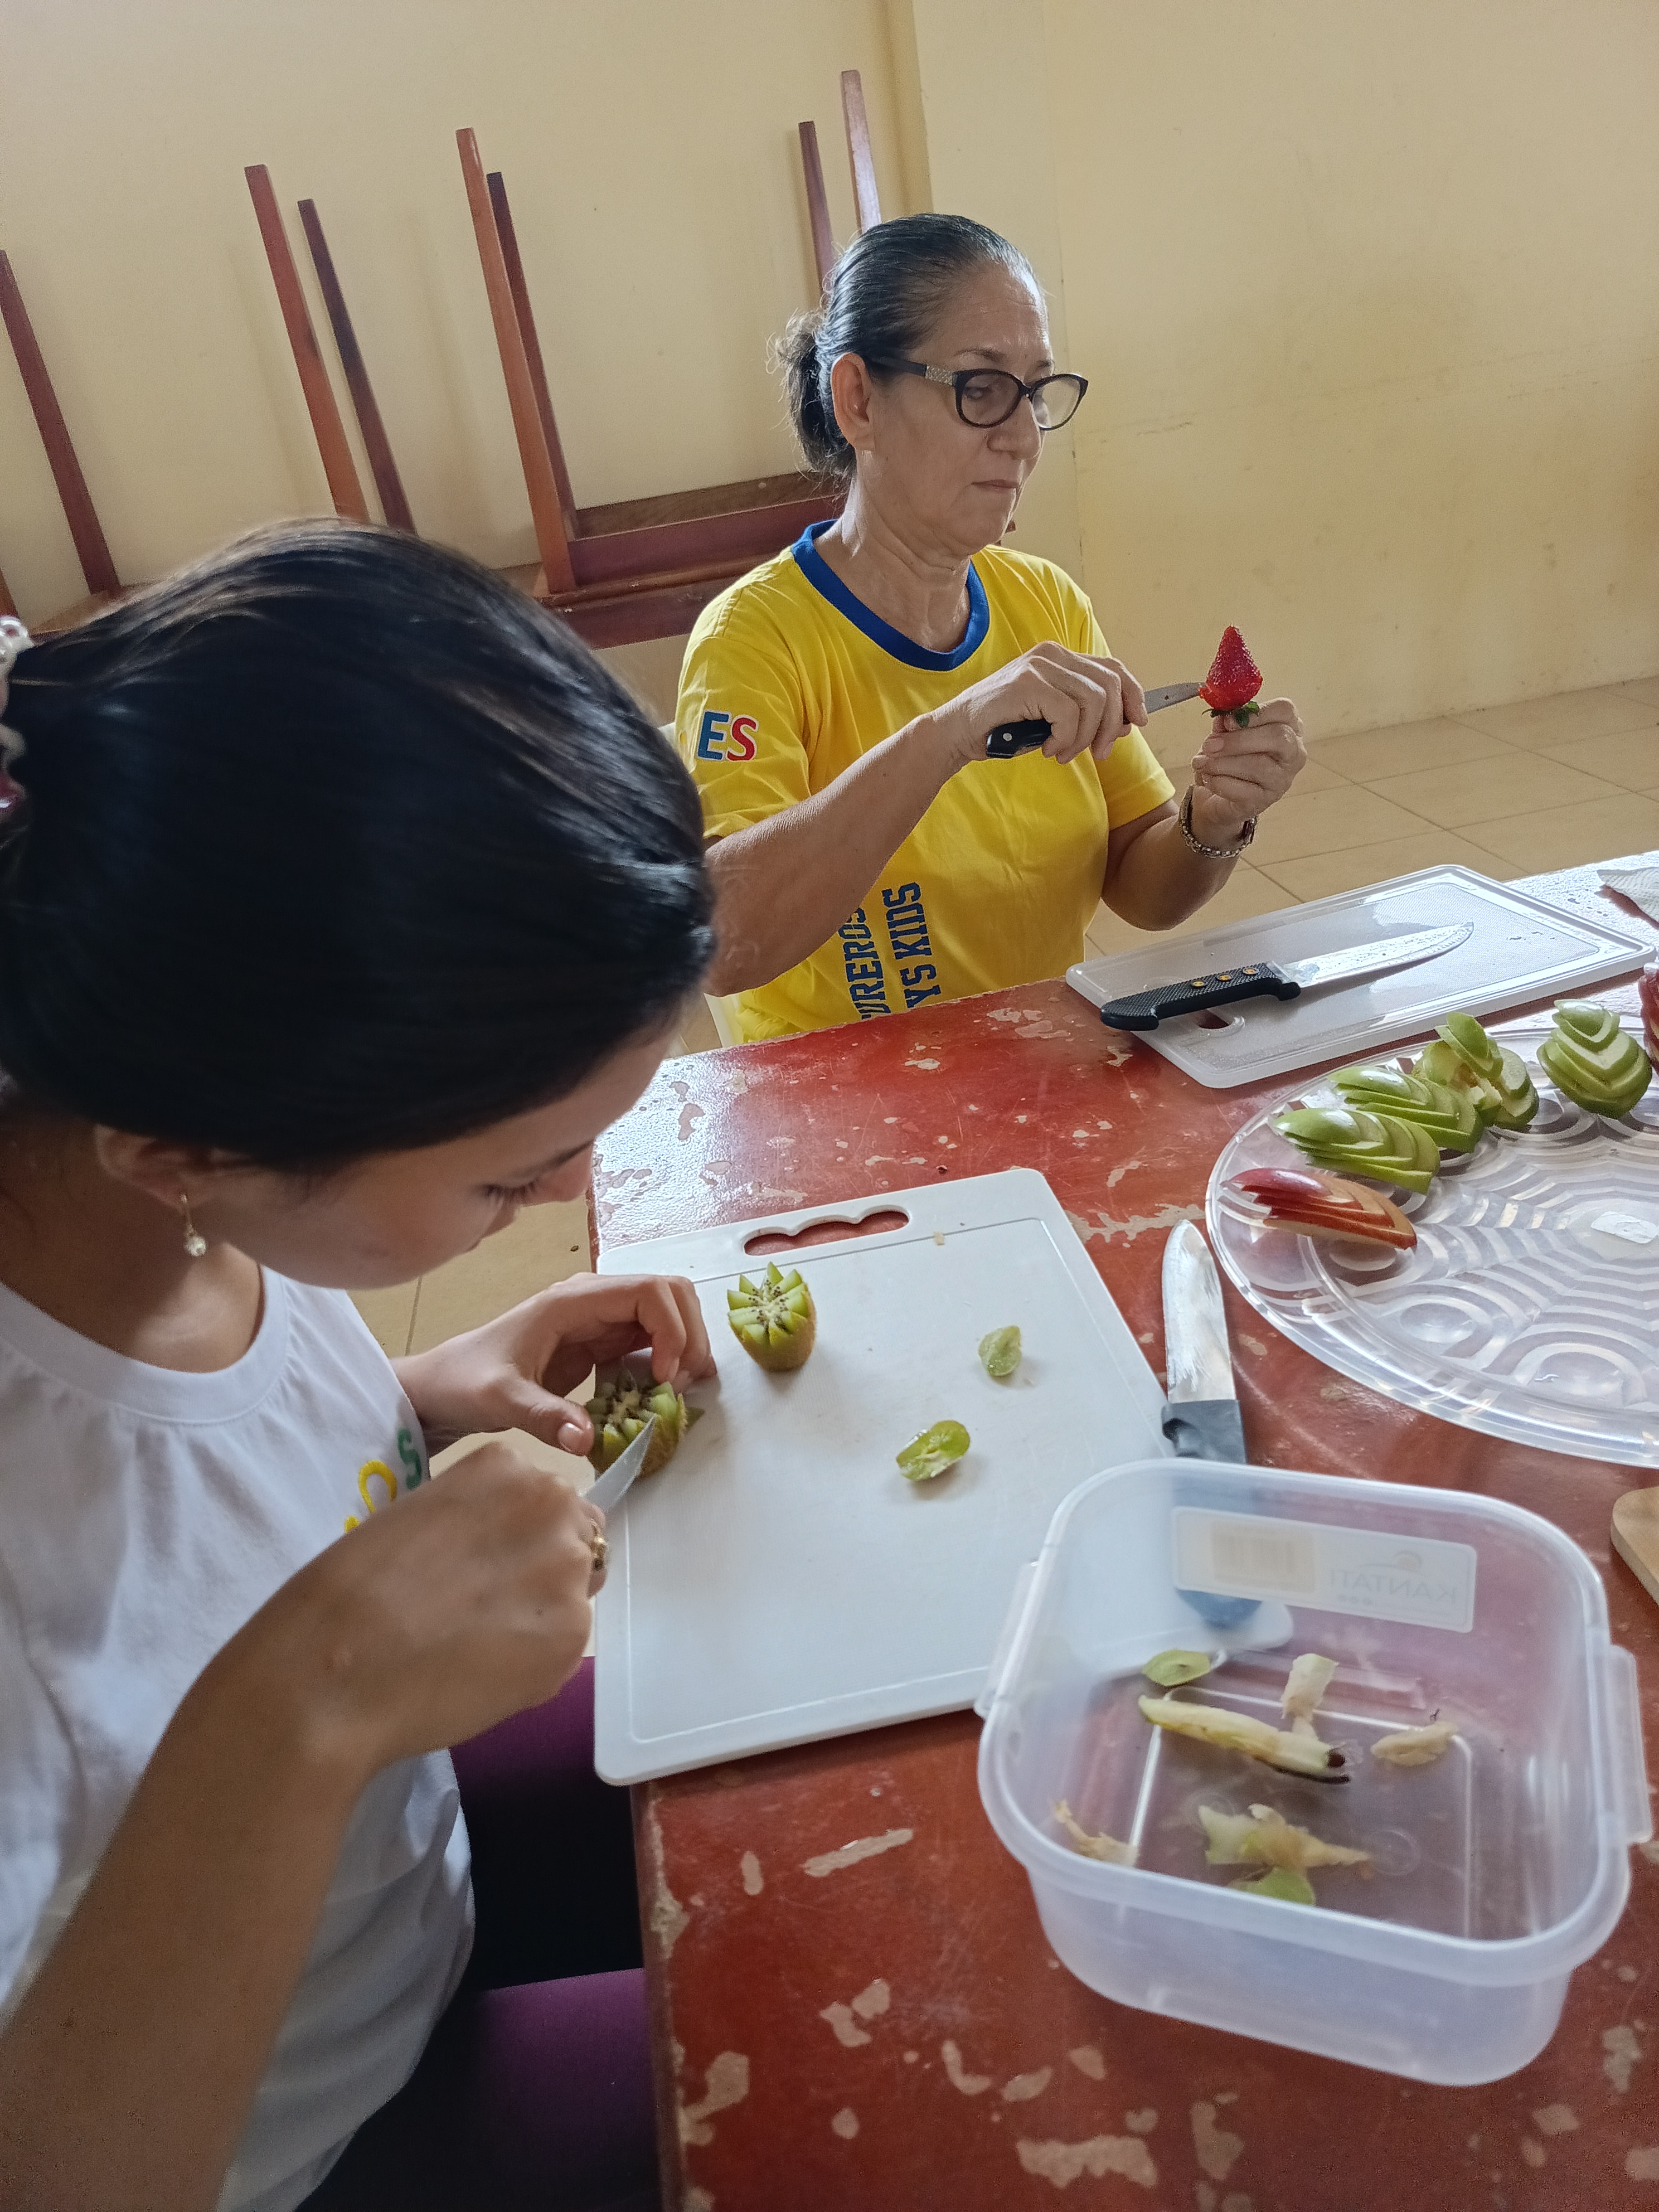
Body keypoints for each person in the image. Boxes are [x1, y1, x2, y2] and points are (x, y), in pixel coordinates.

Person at [0, 523, 719, 2212]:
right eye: (508, 1180)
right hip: (296, 2141)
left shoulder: (165, 1179)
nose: (567, 1194)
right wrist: (304, 1698)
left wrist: (425, 1388)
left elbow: (181, 1508)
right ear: (185, 1156)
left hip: (395, 1899)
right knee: (827, 2090)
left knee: (778, 1778)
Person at [677, 213, 1308, 1042]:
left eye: (1035, 393)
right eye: (980, 389)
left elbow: (1141, 883)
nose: (1021, 438)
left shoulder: (1045, 603)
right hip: (834, 1100)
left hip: (1034, 1072)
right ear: (858, 401)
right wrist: (948, 734)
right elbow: (724, 942)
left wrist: (1213, 821)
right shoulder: (754, 639)